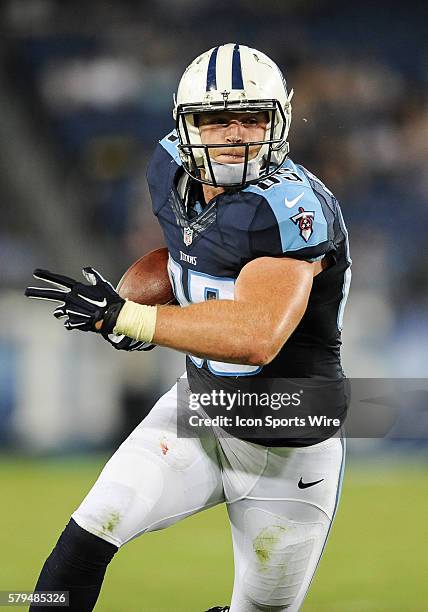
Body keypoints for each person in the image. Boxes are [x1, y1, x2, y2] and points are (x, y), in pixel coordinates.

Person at [25, 43, 351, 612]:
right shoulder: (170, 168)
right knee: (81, 545)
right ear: (183, 124)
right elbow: (186, 258)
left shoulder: (290, 207)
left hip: (289, 442)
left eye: (252, 117)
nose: (235, 134)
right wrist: (126, 299)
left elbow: (257, 336)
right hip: (198, 411)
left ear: (282, 119)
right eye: (215, 118)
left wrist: (130, 316)